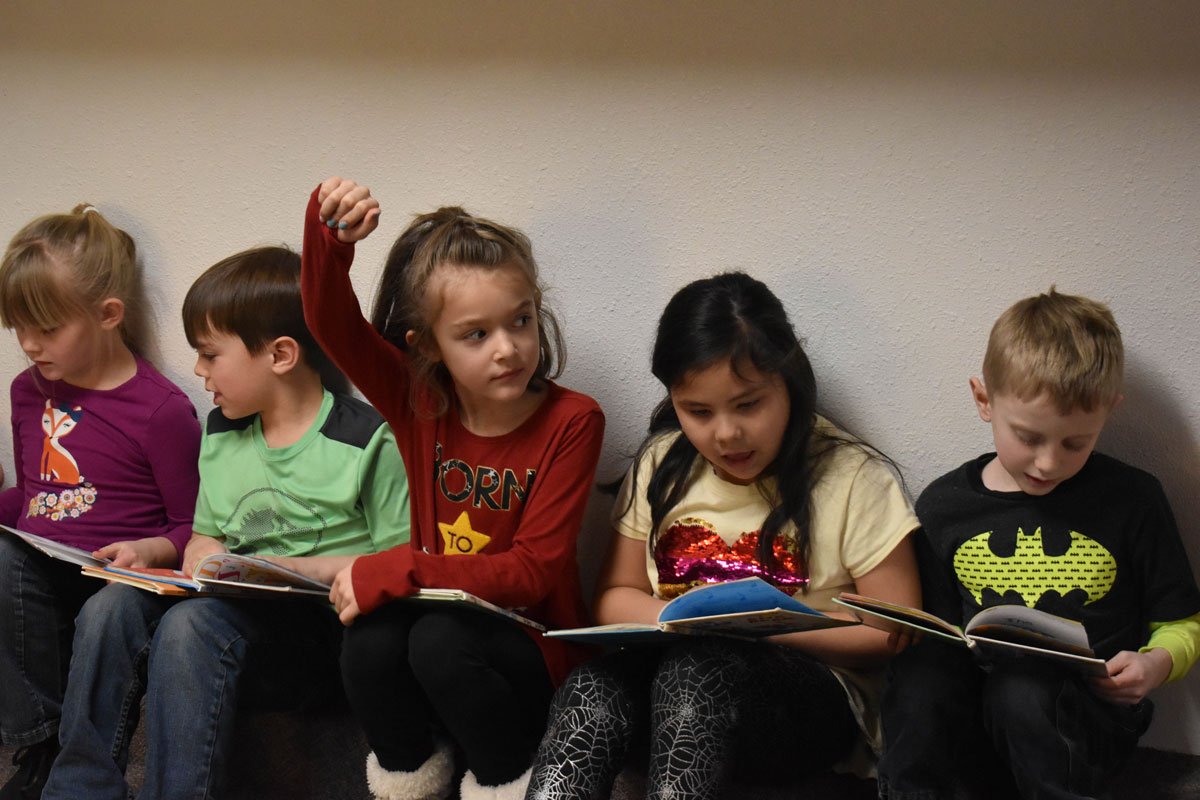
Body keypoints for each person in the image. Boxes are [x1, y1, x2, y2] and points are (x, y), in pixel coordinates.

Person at [524, 272, 921, 800]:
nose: (727, 434)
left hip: (806, 702)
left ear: (788, 379)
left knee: (697, 673)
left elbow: (892, 630)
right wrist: (685, 623)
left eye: (749, 404)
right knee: (591, 688)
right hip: (674, 675)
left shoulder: (852, 477)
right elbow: (615, 596)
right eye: (698, 412)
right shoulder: (663, 463)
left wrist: (763, 631)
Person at [41, 246, 412, 800]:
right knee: (110, 606)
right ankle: (77, 790)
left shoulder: (365, 439)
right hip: (235, 608)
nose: (198, 370)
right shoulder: (222, 431)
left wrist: (291, 567)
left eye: (210, 354)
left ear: (281, 355)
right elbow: (207, 533)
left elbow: (400, 562)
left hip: (321, 636)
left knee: (191, 627)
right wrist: (195, 556)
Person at [302, 177, 605, 800]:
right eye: (476, 334)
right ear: (430, 348)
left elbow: (532, 572)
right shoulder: (419, 400)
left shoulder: (573, 420)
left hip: (535, 648)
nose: (508, 349)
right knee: (368, 641)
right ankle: (411, 779)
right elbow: (330, 323)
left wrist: (401, 567)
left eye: (521, 321)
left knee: (437, 639)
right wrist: (328, 233)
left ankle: (506, 779)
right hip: (437, 634)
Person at [876, 288, 1200, 800]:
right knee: (920, 676)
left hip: (1086, 721)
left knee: (1022, 687)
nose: (1048, 463)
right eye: (1028, 438)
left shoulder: (1131, 499)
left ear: (1108, 412)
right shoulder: (946, 504)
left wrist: (1155, 662)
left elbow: (1182, 620)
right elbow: (939, 635)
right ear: (984, 400)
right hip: (978, 714)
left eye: (1075, 442)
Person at [0, 205, 201, 800]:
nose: (28, 345)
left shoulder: (161, 411)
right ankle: (40, 743)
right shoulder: (26, 391)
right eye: (18, 328)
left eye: (46, 328)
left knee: (109, 609)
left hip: (121, 582)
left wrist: (150, 549)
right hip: (42, 578)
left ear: (109, 315)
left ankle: (80, 763)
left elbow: (194, 525)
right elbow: (33, 498)